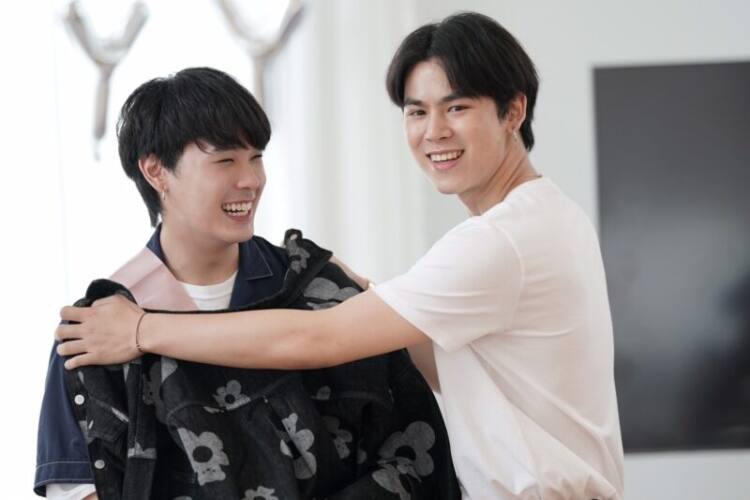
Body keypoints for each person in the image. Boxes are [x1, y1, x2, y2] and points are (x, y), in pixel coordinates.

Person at [58, 12, 625, 499]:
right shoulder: (548, 217)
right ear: (155, 171)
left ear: (513, 111)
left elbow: (317, 340)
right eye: (417, 111)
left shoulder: (500, 242)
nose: (434, 132)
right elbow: (458, 369)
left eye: (456, 108)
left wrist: (141, 331)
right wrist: (367, 291)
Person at [39, 67, 457, 499]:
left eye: (256, 157)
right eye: (225, 161)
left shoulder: (317, 289)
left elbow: (413, 454)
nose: (251, 180)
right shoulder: (94, 333)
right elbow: (82, 490)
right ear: (156, 171)